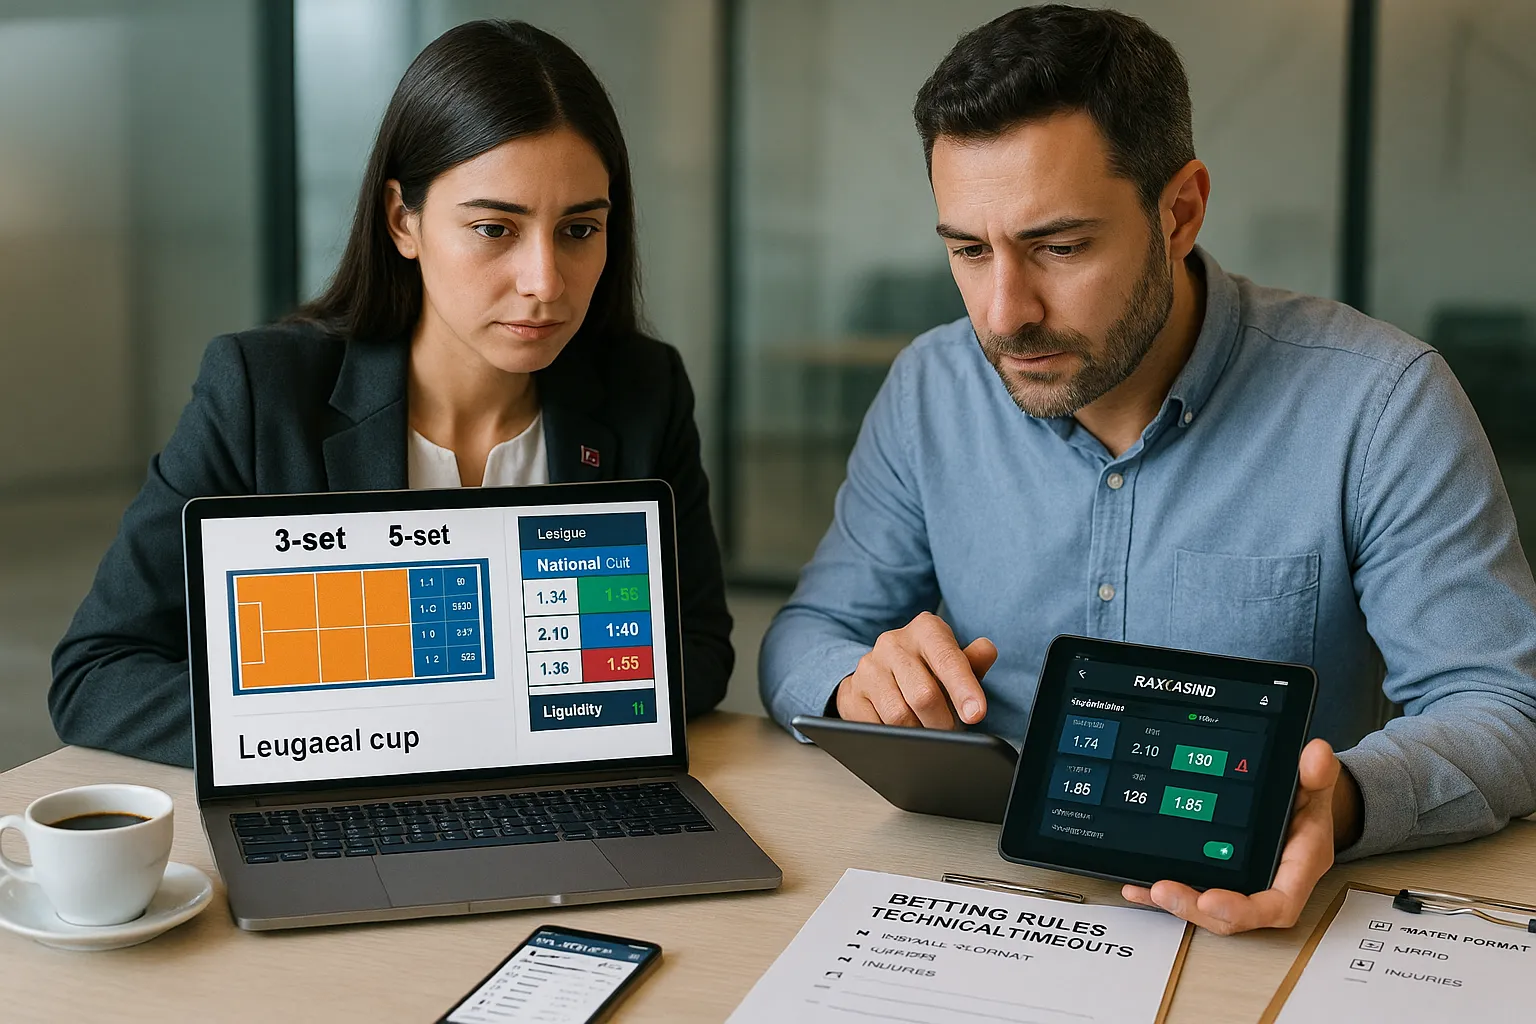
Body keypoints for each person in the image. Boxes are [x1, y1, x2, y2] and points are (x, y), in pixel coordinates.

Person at [759, 4, 1536, 935]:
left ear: (1180, 211)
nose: (1005, 313)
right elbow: (805, 635)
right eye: (969, 250)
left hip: (1256, 918)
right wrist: (857, 682)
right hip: (971, 897)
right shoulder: (932, 385)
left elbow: (1501, 706)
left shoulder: (1380, 402)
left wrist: (1346, 801)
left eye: (1059, 247)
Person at [51, 20, 731, 767]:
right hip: (339, 800)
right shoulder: (261, 392)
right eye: (495, 228)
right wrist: (379, 731)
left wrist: (489, 718)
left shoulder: (644, 390)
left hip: (559, 799)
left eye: (578, 230)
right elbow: (98, 674)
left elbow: (697, 650)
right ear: (402, 220)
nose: (544, 282)